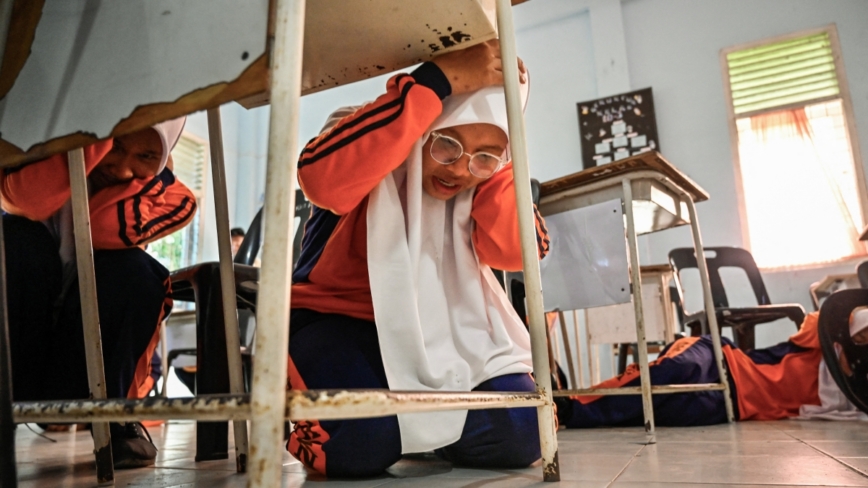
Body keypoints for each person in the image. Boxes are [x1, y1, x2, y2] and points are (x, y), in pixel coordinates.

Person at [286, 40, 550, 477]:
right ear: (427, 124)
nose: (459, 169)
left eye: (484, 156)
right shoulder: (372, 124)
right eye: (446, 144)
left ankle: (421, 435)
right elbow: (321, 180)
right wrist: (436, 82)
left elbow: (520, 252)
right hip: (338, 321)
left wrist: (500, 163)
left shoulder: (482, 174)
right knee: (356, 445)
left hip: (438, 330)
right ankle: (398, 430)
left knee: (522, 429)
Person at [1, 119, 197, 468]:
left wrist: (148, 175)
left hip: (85, 361)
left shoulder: (166, 192)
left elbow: (102, 228)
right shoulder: (34, 159)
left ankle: (114, 416)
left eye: (146, 156)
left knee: (137, 271)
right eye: (115, 145)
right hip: (19, 355)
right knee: (15, 238)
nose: (122, 169)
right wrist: (89, 136)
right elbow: (28, 201)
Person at [554, 310, 849, 428]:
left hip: (731, 406)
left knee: (657, 408)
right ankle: (571, 404)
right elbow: (829, 313)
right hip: (720, 357)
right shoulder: (822, 342)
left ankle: (568, 412)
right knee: (678, 368)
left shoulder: (850, 393)